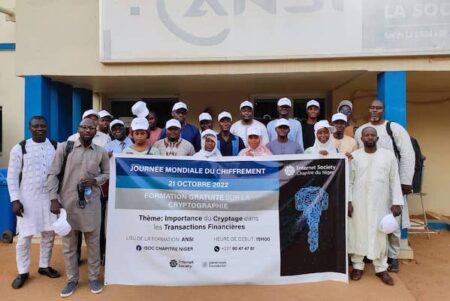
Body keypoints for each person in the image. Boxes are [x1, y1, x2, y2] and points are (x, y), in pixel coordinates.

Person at [48, 118, 109, 297]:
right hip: (68, 204)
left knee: (93, 243)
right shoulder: (64, 148)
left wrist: (95, 180)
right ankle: (72, 280)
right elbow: (53, 173)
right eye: (84, 127)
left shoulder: (101, 152)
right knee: (69, 245)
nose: (87, 130)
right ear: (78, 129)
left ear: (95, 131)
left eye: (91, 128)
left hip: (91, 205)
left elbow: (107, 172)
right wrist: (53, 199)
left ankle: (93, 278)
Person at [354, 99, 415, 273]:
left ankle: (393, 256)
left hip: (392, 181)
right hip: (368, 185)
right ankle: (369, 253)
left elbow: (407, 154)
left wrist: (405, 181)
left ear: (383, 110)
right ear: (368, 109)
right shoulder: (361, 131)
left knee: (392, 221)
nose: (375, 110)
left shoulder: (394, 128)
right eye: (372, 107)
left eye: (378, 108)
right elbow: (359, 155)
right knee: (368, 220)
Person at [7, 116, 61, 289]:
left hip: (50, 198)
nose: (40, 129)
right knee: (25, 236)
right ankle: (22, 271)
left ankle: (44, 266)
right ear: (29, 128)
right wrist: (15, 199)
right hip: (27, 199)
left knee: (49, 234)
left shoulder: (55, 146)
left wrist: (58, 199)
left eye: (43, 126)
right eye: (36, 126)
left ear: (47, 127)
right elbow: (12, 176)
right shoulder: (20, 148)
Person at [348, 127, 404, 286]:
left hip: (381, 202)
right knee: (358, 232)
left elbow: (394, 179)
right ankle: (358, 266)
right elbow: (349, 181)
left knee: (380, 234)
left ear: (377, 138)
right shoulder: (355, 156)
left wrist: (397, 202)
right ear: (362, 138)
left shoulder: (388, 156)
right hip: (359, 202)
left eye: (373, 135)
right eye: (367, 135)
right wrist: (349, 201)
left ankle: (381, 268)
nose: (370, 137)